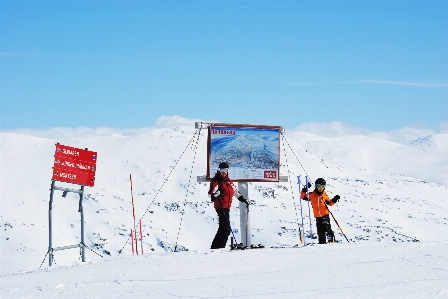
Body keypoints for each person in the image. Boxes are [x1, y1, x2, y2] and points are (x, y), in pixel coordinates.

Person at [208, 162, 249, 249]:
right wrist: (215, 195)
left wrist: (243, 200)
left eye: (226, 170)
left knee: (222, 228)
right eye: (222, 170)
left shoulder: (228, 181)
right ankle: (220, 247)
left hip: (227, 206)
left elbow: (235, 192)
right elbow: (211, 193)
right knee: (226, 229)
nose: (224, 172)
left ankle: (214, 247)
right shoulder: (216, 180)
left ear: (228, 171)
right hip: (220, 206)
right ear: (219, 170)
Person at [301, 178, 340, 244]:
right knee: (320, 231)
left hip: (325, 214)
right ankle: (322, 243)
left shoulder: (324, 195)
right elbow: (302, 196)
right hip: (317, 216)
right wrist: (305, 189)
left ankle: (331, 240)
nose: (320, 188)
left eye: (322, 187)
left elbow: (330, 203)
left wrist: (334, 199)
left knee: (326, 227)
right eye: (319, 186)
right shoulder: (312, 195)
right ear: (316, 186)